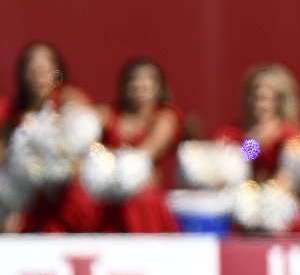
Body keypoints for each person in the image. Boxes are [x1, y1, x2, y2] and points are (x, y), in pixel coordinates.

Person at [213, 63, 300, 233]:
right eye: (255, 94)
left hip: (281, 215)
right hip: (239, 214)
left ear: (280, 99)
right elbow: (228, 171)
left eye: (267, 97)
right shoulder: (234, 133)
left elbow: (289, 174)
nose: (260, 101)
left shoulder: (292, 133)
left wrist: (263, 203)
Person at [4, 42, 102, 233]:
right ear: (22, 74)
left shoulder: (70, 99)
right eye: (31, 66)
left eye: (45, 65)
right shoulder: (12, 113)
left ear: (58, 72)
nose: (38, 70)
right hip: (28, 202)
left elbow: (85, 144)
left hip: (69, 199)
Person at [86, 57, 183, 233]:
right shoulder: (109, 116)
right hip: (110, 206)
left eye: (148, 80)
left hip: (144, 204)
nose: (140, 85)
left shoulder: (165, 118)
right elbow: (83, 132)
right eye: (134, 80)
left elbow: (146, 154)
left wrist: (109, 159)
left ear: (159, 88)